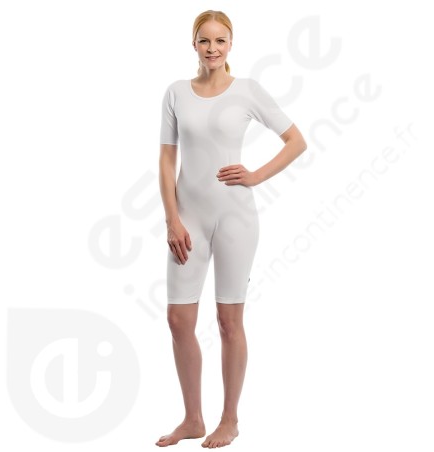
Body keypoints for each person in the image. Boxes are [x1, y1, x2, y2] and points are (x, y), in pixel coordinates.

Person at [156, 9, 307, 449]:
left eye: (220, 40)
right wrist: (172, 219)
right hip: (187, 219)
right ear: (194, 45)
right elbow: (166, 159)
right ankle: (192, 419)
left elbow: (296, 141)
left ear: (231, 44)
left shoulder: (247, 91)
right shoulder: (176, 92)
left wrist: (256, 175)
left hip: (235, 218)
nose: (212, 48)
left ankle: (230, 420)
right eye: (204, 41)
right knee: (178, 319)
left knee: (228, 322)